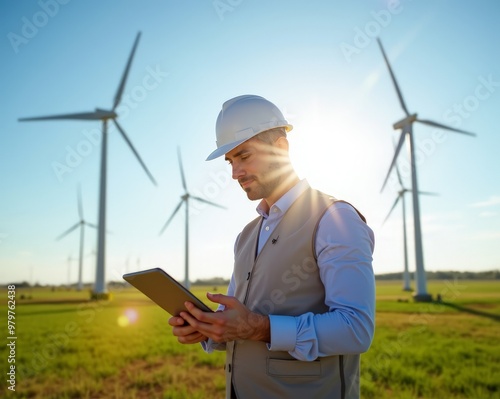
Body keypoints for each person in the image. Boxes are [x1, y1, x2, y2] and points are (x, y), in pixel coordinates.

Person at [168, 95, 375, 399]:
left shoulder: (334, 218)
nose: (235, 173)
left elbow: (355, 329)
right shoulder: (246, 236)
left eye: (244, 156)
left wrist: (259, 328)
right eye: (230, 161)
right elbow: (239, 321)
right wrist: (209, 329)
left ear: (281, 148)